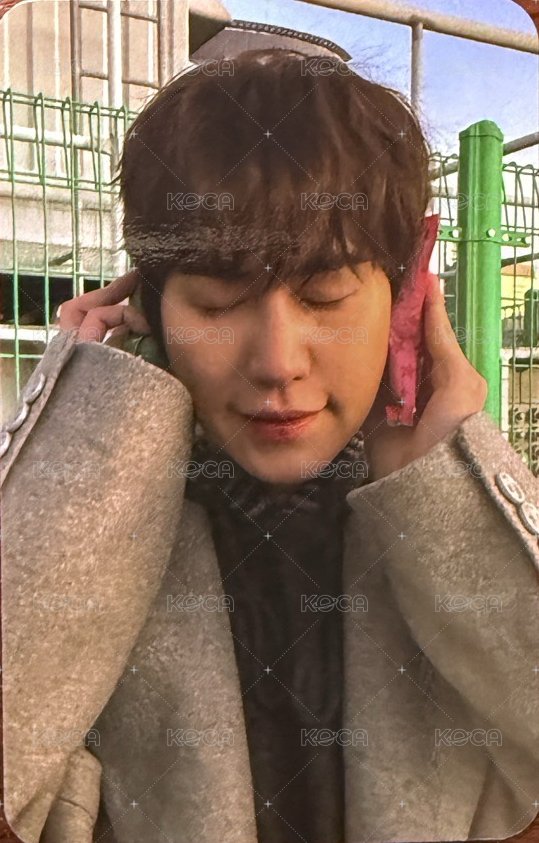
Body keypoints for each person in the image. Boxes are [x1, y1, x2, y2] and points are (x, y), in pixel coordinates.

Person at [1, 48, 538, 843]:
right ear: (151, 307)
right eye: (218, 303)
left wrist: (449, 494)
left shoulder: (439, 533)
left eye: (325, 295)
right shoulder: (104, 541)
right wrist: (88, 430)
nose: (277, 362)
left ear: (405, 300)